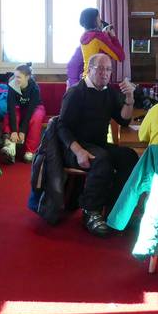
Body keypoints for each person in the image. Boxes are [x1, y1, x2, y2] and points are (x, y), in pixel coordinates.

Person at [57, 53, 138, 237]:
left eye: (108, 69)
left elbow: (124, 120)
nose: (105, 73)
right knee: (101, 159)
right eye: (100, 69)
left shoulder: (109, 92)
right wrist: (79, 151)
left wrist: (129, 97)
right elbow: (62, 128)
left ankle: (114, 208)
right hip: (74, 148)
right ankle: (90, 211)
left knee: (129, 156)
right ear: (89, 69)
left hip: (98, 145)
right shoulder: (76, 92)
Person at [66, 7, 125, 88]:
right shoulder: (99, 37)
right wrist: (113, 37)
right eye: (98, 17)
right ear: (95, 20)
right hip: (97, 81)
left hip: (85, 79)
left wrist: (105, 35)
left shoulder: (84, 36)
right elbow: (120, 56)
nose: (100, 20)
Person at [1, 63, 47, 163]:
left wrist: (22, 131)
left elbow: (30, 111)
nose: (16, 79)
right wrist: (14, 131)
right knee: (10, 115)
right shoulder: (12, 86)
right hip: (20, 107)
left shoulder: (34, 88)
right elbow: (11, 108)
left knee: (35, 118)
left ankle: (30, 151)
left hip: (35, 108)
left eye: (19, 77)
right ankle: (10, 146)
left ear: (27, 77)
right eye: (15, 76)